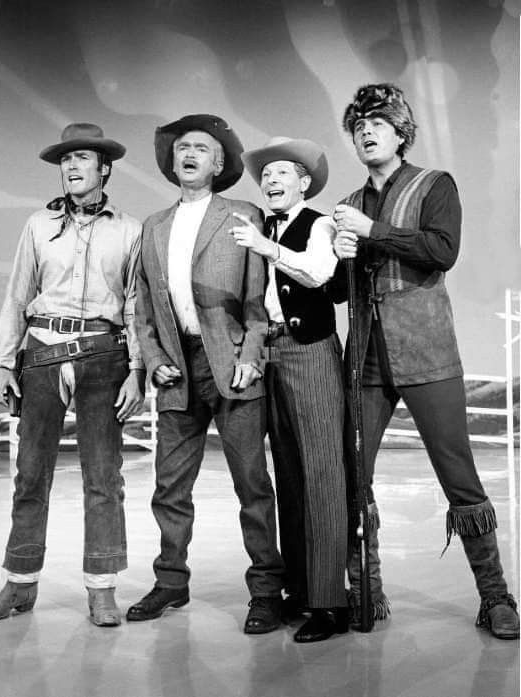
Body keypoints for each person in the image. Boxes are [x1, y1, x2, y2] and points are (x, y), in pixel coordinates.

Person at [331, 83, 519, 639]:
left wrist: (373, 233)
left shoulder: (434, 184)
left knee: (458, 474)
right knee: (352, 476)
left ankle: (496, 596)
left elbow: (442, 250)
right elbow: (341, 291)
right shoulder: (349, 203)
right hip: (366, 355)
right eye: (359, 126)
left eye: (378, 124)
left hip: (427, 350)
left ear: (401, 134)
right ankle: (367, 590)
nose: (367, 132)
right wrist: (340, 258)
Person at [0, 123, 145, 627]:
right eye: (66, 159)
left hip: (104, 356)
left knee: (103, 477)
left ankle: (102, 588)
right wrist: (5, 361)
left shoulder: (129, 230)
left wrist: (137, 369)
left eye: (82, 158)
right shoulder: (36, 225)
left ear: (104, 168)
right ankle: (19, 582)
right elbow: (18, 293)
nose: (72, 166)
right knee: (30, 474)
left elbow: (135, 305)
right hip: (43, 353)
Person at [128, 114, 284, 634]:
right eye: (182, 148)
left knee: (252, 485)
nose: (189, 154)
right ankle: (171, 580)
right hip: (178, 368)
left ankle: (266, 590)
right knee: (169, 486)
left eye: (201, 148)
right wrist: (154, 359)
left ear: (218, 165)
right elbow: (144, 307)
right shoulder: (153, 225)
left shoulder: (243, 215)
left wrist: (252, 354)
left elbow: (259, 298)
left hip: (232, 363)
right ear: (172, 163)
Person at [230, 137, 349, 642]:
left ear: (303, 182)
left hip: (310, 350)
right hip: (272, 352)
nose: (271, 181)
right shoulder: (263, 226)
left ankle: (330, 601)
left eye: (282, 172)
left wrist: (267, 249)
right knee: (290, 476)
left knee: (323, 474)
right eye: (266, 175)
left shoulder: (318, 224)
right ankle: (300, 589)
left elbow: (320, 274)